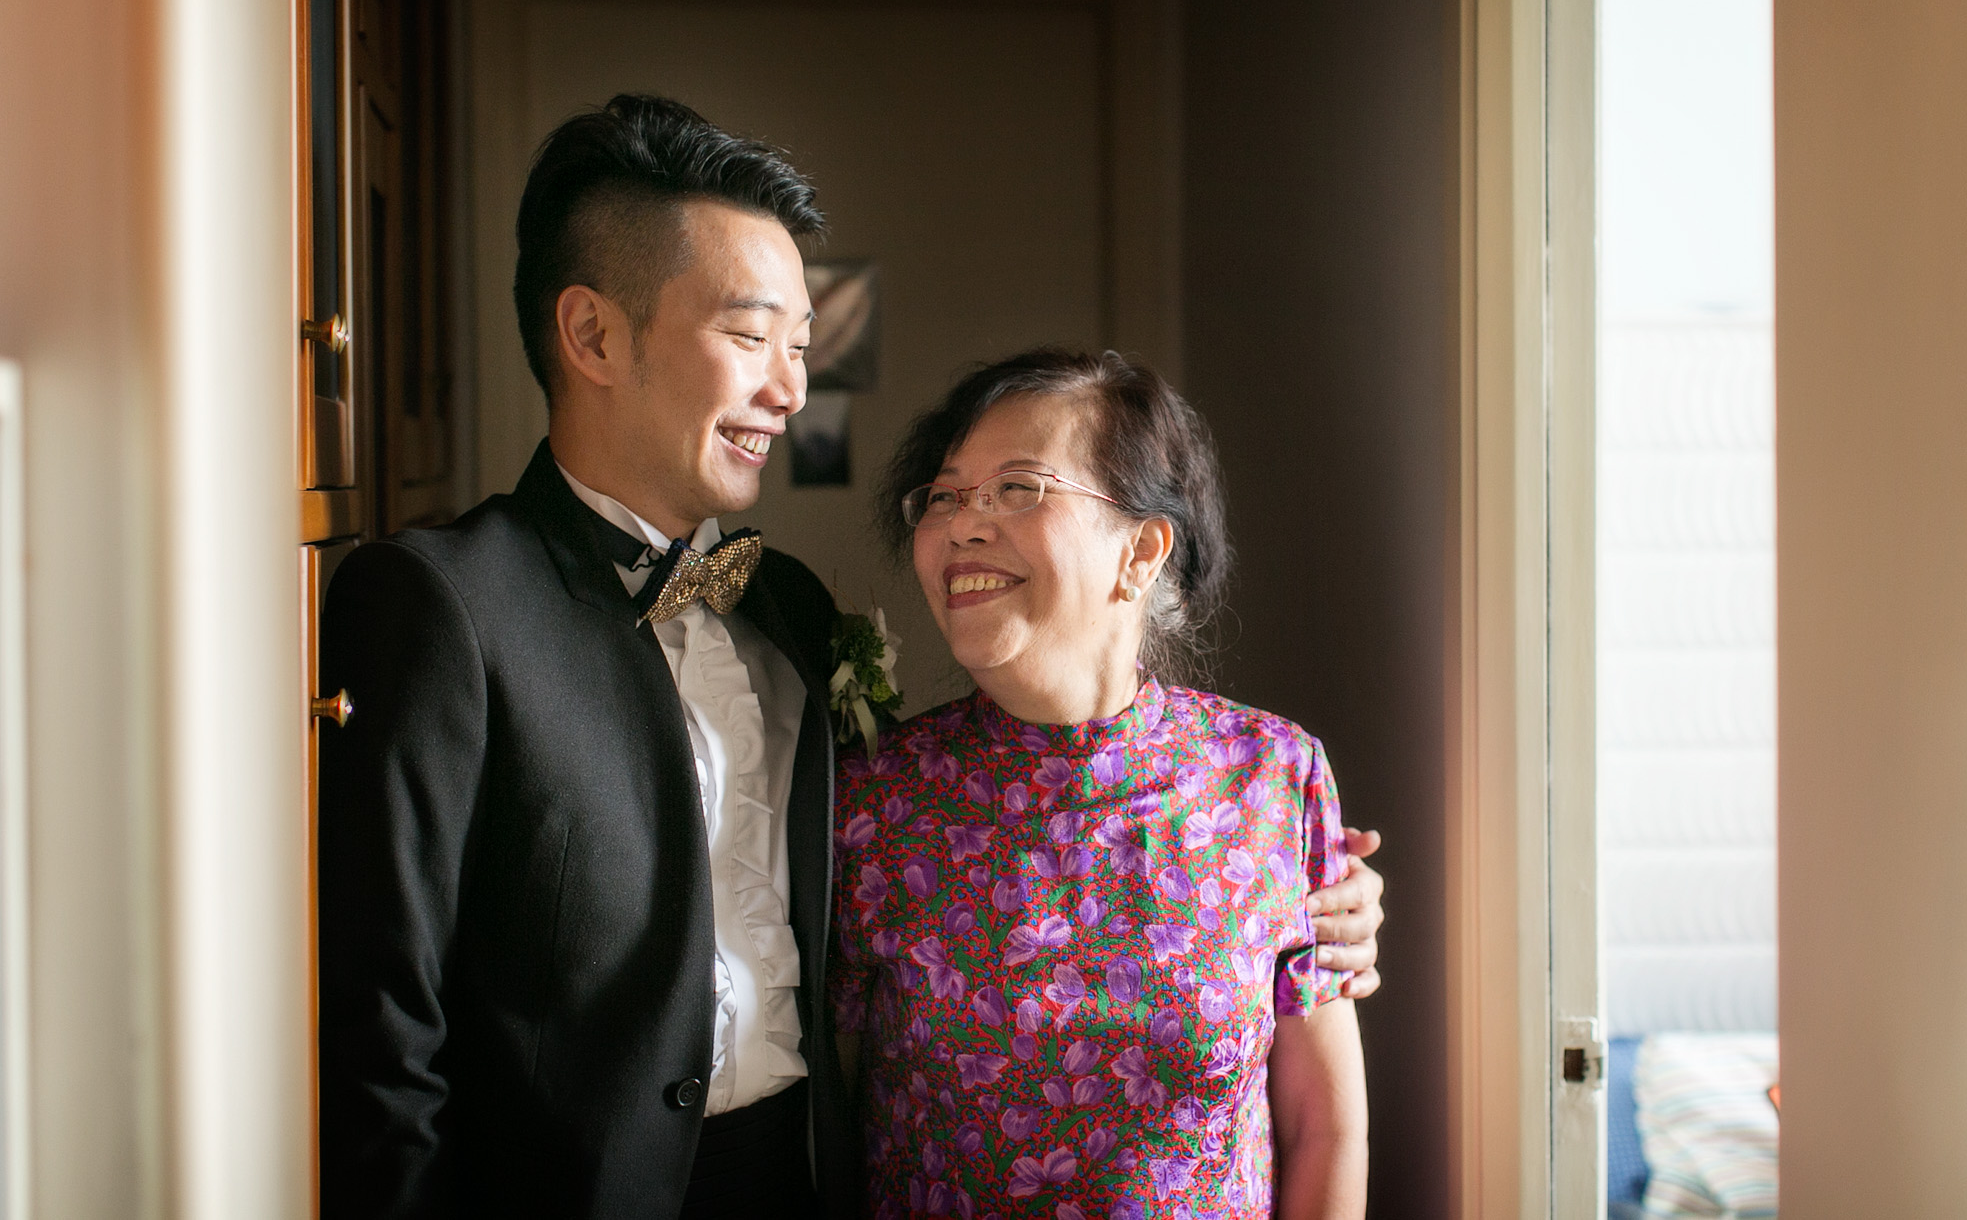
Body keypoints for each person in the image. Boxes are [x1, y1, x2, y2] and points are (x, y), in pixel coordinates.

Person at [317, 95, 1385, 1219]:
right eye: (750, 338)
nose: (790, 390)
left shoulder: (784, 607)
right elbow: (384, 1037)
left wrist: (1312, 900)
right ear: (592, 336)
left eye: (799, 348)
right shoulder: (442, 605)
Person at [831, 350, 1368, 1219]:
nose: (963, 524)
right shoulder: (873, 803)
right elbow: (824, 1131)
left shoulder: (1272, 776)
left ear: (1141, 550)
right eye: (945, 495)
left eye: (1018, 487)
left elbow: (1323, 1126)